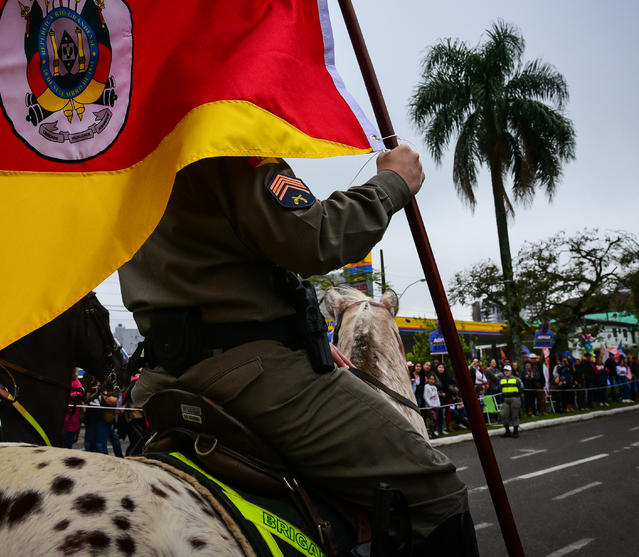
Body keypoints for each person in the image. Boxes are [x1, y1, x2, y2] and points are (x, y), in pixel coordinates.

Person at [119, 145, 475, 553]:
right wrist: (392, 182)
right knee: (438, 492)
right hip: (254, 378)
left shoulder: (130, 157)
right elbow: (314, 239)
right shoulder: (223, 141)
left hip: (164, 380)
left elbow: (216, 268)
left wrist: (304, 335)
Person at [499, 364, 522, 438]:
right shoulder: (502, 380)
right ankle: (507, 431)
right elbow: (500, 388)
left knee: (514, 415)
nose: (506, 372)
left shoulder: (516, 379)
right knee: (504, 415)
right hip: (506, 399)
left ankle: (515, 431)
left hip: (514, 398)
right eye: (505, 371)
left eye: (508, 371)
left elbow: (520, 386)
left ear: (511, 371)